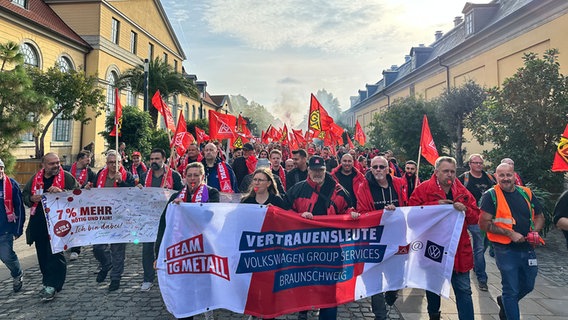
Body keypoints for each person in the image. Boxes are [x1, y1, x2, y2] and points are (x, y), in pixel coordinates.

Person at [283, 155, 357, 320]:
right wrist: (299, 216)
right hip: (304, 248)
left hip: (330, 250)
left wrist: (351, 215)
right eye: (314, 170)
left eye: (321, 170)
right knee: (303, 284)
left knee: (329, 291)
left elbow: (347, 211)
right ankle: (303, 311)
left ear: (326, 171)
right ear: (308, 170)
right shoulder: (297, 189)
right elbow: (284, 212)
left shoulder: (339, 191)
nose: (317, 174)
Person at [409, 156, 479, 320]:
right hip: (434, 249)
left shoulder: (462, 192)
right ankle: (434, 315)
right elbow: (411, 215)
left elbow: (476, 216)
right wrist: (436, 206)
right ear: (437, 172)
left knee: (464, 290)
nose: (450, 175)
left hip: (458, 251)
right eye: (446, 171)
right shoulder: (423, 189)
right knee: (433, 289)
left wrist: (465, 210)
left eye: (452, 172)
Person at [155, 162, 220, 320]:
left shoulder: (212, 193)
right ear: (184, 177)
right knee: (184, 286)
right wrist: (158, 255)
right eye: (189, 175)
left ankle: (207, 309)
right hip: (182, 249)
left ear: (202, 177)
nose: (192, 178)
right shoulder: (175, 197)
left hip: (204, 248)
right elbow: (164, 225)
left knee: (204, 284)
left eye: (196, 175)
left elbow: (211, 216)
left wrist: (188, 208)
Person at [479, 163, 544, 320]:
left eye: (508, 175)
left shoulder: (526, 193)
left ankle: (505, 301)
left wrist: (534, 231)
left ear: (514, 176)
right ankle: (509, 306)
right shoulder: (490, 196)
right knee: (511, 289)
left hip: (527, 247)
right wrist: (510, 233)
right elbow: (483, 224)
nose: (506, 178)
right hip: (505, 249)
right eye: (501, 175)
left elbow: (540, 216)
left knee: (528, 285)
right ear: (496, 176)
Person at [355, 156, 408, 320]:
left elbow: (408, 206)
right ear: (370, 169)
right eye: (375, 167)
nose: (378, 170)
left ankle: (392, 294)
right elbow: (363, 211)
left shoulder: (399, 184)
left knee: (397, 276)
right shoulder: (363, 187)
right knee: (375, 279)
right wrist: (382, 215)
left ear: (387, 169)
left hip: (396, 237)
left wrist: (397, 210)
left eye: (381, 167)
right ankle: (380, 315)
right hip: (375, 239)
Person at [23, 152, 79, 301]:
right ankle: (47, 282)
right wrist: (31, 198)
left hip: (59, 224)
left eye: (57, 162)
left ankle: (53, 285)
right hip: (39, 223)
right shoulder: (35, 178)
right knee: (43, 255)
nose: (56, 165)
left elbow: (79, 193)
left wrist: (62, 192)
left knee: (56, 255)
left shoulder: (66, 177)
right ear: (43, 165)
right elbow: (25, 194)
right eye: (52, 163)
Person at [139, 148, 183, 291]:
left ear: (164, 160)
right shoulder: (144, 175)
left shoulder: (174, 175)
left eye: (157, 159)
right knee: (147, 249)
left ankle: (168, 276)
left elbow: (181, 193)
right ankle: (148, 278)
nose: (154, 162)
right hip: (149, 218)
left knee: (166, 247)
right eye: (152, 159)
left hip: (167, 218)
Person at [92, 150, 135, 291]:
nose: (113, 165)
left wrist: (121, 182)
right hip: (103, 217)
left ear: (120, 162)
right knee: (98, 247)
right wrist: (87, 187)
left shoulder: (126, 175)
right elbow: (93, 190)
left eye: (116, 162)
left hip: (120, 218)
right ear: (106, 163)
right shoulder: (100, 175)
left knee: (117, 250)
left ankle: (115, 277)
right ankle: (106, 264)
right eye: (110, 162)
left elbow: (132, 194)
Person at [457, 154, 495, 291]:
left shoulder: (490, 178)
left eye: (481, 163)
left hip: (488, 218)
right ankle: (482, 278)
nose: (479, 165)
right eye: (476, 163)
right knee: (479, 248)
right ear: (470, 164)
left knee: (482, 247)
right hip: (472, 218)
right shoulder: (464, 178)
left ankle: (476, 265)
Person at [64, 150, 97, 260]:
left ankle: (76, 249)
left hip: (81, 203)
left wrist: (90, 186)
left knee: (77, 224)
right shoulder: (67, 169)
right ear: (80, 159)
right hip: (67, 202)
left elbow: (95, 183)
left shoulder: (90, 172)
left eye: (90, 159)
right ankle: (69, 243)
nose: (89, 161)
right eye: (87, 158)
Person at [0, 158, 26, 292]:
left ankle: (17, 274)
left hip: (5, 229)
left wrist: (18, 229)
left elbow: (19, 208)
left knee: (6, 256)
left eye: (1, 168)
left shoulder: (11, 185)